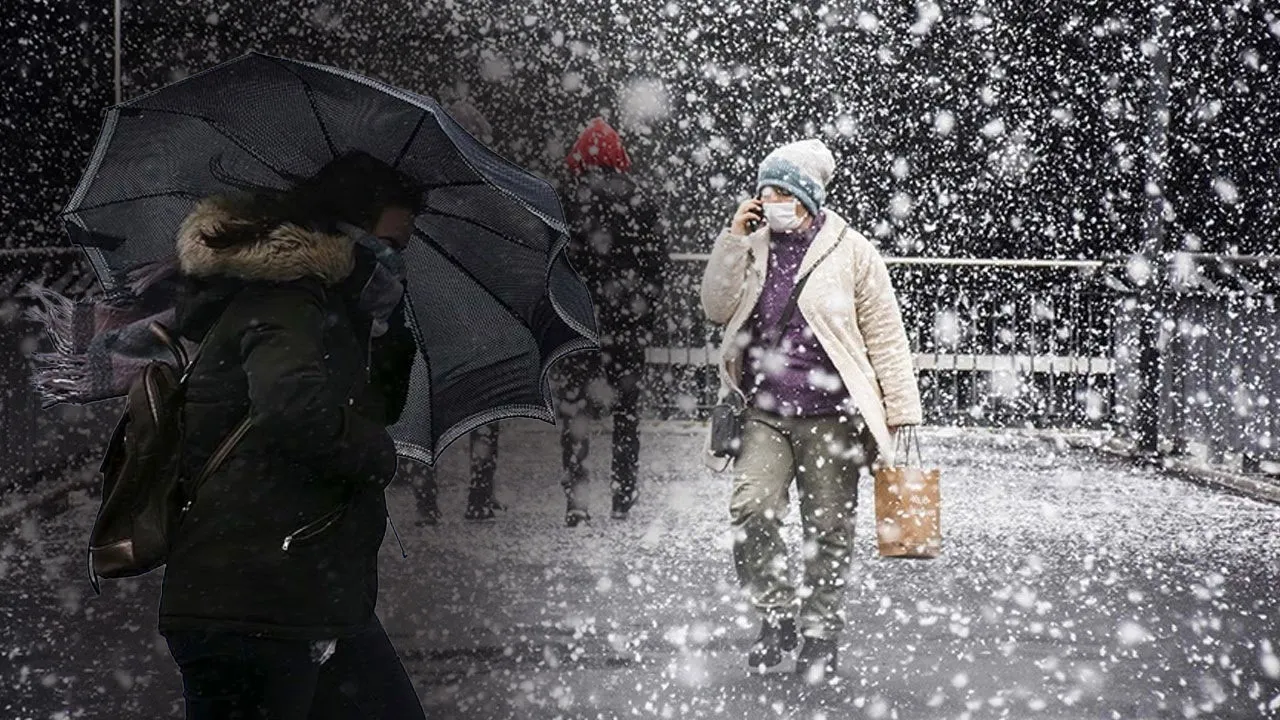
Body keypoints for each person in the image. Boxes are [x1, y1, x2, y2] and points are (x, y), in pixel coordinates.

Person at [160, 151, 426, 718]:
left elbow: (376, 406)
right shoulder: (285, 300)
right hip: (256, 599)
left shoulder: (332, 308)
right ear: (346, 232)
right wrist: (378, 455)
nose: (394, 261)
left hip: (307, 594)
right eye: (387, 246)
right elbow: (291, 410)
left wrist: (386, 326)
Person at [699, 139, 922, 681]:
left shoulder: (851, 251)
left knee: (827, 528)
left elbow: (885, 334)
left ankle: (820, 633)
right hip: (763, 411)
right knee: (751, 510)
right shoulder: (753, 246)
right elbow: (715, 307)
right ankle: (775, 615)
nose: (771, 202)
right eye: (765, 192)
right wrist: (732, 240)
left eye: (782, 192)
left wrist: (900, 408)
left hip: (831, 416)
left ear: (807, 196)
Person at [554, 116, 668, 526]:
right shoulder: (640, 200)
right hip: (626, 326)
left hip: (579, 324)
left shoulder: (567, 200)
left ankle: (577, 499)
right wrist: (643, 313)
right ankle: (623, 494)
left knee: (576, 413)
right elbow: (656, 266)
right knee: (627, 413)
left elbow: (554, 266)